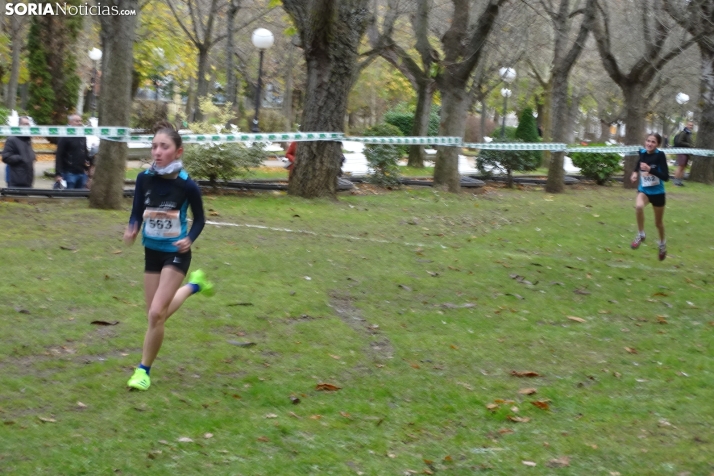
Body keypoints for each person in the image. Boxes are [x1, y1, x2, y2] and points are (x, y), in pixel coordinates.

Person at [123, 121, 214, 391]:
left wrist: (190, 238)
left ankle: (143, 371)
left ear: (178, 152)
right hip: (151, 253)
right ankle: (194, 286)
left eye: (164, 147)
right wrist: (132, 228)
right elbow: (137, 209)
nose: (157, 152)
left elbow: (200, 220)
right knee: (156, 314)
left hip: (176, 254)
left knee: (155, 314)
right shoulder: (144, 178)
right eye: (154, 146)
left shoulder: (187, 186)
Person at [630, 132, 669, 261]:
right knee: (638, 206)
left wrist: (650, 169)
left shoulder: (660, 155)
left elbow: (666, 177)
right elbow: (638, 164)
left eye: (653, 142)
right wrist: (635, 173)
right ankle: (641, 234)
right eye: (648, 141)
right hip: (644, 191)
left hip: (658, 193)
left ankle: (662, 244)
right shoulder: (642, 152)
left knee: (658, 223)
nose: (649, 144)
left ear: (657, 144)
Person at [55, 114, 93, 189]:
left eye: (80, 121)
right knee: (68, 198)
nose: (79, 123)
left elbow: (85, 152)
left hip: (81, 173)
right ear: (70, 122)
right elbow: (59, 155)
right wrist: (58, 174)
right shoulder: (65, 135)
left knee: (79, 198)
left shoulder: (82, 135)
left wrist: (88, 166)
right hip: (69, 173)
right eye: (77, 121)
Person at [2, 116, 36, 188]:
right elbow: (5, 157)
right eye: (25, 124)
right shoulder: (12, 139)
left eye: (28, 124)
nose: (27, 126)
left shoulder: (28, 139)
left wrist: (32, 156)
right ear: (19, 125)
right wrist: (20, 158)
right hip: (16, 181)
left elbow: (28, 154)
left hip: (28, 180)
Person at [672, 121, 694, 186]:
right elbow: (679, 142)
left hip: (686, 152)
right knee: (680, 167)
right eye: (690, 125)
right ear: (687, 125)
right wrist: (689, 145)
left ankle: (680, 182)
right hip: (682, 152)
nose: (691, 126)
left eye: (692, 125)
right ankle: (675, 182)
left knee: (683, 167)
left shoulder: (689, 133)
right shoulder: (684, 133)